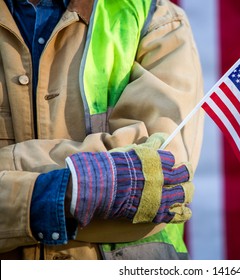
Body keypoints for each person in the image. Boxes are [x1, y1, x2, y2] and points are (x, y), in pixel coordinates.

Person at [0, 0, 204, 260]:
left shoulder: (153, 16)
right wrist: (69, 188)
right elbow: (133, 183)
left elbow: (160, 175)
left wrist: (16, 190)